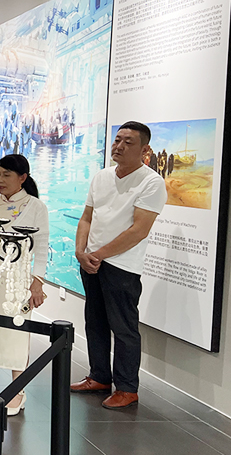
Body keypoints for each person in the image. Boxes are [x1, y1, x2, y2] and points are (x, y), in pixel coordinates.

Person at [71, 121, 167, 409]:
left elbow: (139, 230)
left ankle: (127, 388)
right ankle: (99, 376)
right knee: (95, 321)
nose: (119, 146)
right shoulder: (101, 177)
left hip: (122, 266)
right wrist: (80, 251)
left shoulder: (151, 182)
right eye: (117, 140)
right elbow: (87, 217)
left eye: (128, 142)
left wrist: (99, 254)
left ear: (145, 149)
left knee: (123, 328)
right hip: (92, 262)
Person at [0, 154, 49, 417]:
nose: (0, 179)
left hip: (17, 279)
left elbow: (42, 247)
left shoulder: (35, 206)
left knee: (16, 332)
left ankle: (17, 390)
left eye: (7, 175)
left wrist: (37, 282)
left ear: (22, 177)